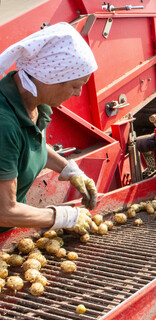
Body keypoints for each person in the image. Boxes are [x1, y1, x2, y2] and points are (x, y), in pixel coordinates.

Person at [0, 22, 99, 234]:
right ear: (50, 77)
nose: (78, 93)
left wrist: (69, 169)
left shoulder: (34, 105)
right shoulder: (3, 124)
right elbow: (4, 211)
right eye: (74, 85)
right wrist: (63, 216)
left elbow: (29, 147)